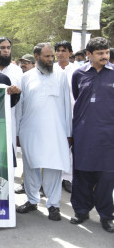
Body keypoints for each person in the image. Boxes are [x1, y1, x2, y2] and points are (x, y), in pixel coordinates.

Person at [15, 43, 71, 221]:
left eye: (51, 57)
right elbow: (20, 107)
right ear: (37, 56)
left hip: (56, 130)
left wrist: (68, 133)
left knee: (53, 167)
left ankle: (53, 205)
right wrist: (17, 132)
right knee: (31, 166)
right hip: (30, 129)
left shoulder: (61, 75)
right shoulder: (26, 77)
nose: (50, 60)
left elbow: (67, 106)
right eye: (47, 57)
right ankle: (32, 201)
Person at [70, 37, 114, 233]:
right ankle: (81, 210)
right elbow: (76, 97)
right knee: (82, 173)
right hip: (84, 133)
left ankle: (106, 216)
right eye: (100, 53)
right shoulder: (79, 74)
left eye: (106, 52)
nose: (105, 56)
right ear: (89, 55)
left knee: (107, 176)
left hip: (109, 134)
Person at [54, 40, 79, 193]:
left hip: (72, 114)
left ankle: (68, 178)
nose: (60, 53)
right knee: (55, 146)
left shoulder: (77, 71)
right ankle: (54, 178)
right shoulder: (50, 70)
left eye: (64, 50)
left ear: (70, 53)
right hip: (54, 115)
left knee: (70, 146)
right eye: (58, 50)